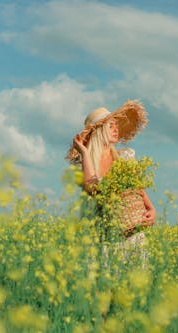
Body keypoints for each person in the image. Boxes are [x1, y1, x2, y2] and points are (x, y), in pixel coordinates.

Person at [66, 100, 156, 258]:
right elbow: (91, 189)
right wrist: (85, 153)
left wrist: (152, 209)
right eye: (111, 126)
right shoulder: (85, 164)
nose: (116, 129)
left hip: (130, 234)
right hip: (102, 238)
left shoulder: (125, 157)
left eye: (116, 125)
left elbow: (138, 189)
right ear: (99, 130)